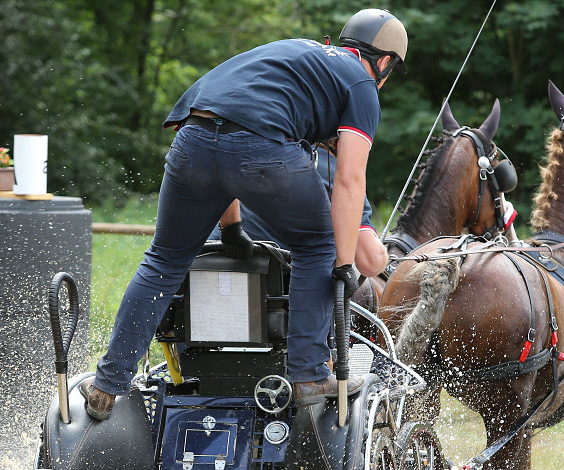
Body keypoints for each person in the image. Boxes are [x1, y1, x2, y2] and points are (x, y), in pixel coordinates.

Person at [82, 8, 408, 420]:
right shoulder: (362, 83)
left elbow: (225, 134)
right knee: (318, 243)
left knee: (164, 259)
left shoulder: (291, 52)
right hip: (262, 147)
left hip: (192, 138)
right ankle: (310, 375)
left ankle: (107, 384)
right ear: (385, 62)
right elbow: (349, 179)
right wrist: (344, 263)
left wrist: (232, 229)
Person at [208, 144, 389, 278]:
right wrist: (386, 260)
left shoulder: (258, 152)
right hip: (271, 288)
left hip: (208, 263)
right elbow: (370, 261)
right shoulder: (341, 176)